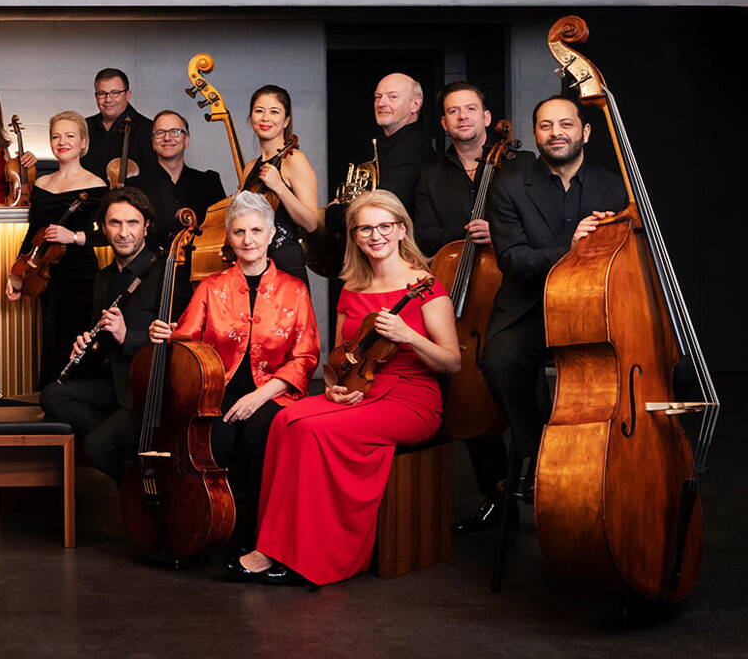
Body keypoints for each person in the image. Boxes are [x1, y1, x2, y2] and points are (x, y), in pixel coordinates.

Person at [230, 190, 461, 587]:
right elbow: (340, 360)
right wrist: (334, 388)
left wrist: (409, 335)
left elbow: (452, 361)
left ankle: (294, 554)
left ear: (401, 229)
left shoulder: (426, 286)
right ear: (354, 236)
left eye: (384, 226)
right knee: (284, 420)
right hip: (361, 390)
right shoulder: (352, 288)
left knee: (311, 430)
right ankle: (278, 544)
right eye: (365, 229)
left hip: (412, 400)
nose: (375, 236)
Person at [154, 191, 319, 555]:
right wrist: (164, 333)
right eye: (240, 232)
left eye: (257, 231)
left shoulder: (294, 290)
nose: (248, 240)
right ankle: (216, 527)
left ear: (271, 234)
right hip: (218, 392)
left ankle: (260, 539)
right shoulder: (211, 288)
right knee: (216, 442)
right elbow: (186, 341)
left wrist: (258, 397)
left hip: (273, 393)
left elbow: (306, 356)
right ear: (229, 237)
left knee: (261, 435)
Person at [482, 96, 628, 498]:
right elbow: (512, 259)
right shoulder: (509, 187)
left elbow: (629, 255)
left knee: (668, 368)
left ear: (585, 132)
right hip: (531, 307)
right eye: (546, 126)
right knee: (499, 363)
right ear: (535, 134)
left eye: (565, 124)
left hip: (596, 307)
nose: (556, 133)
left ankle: (614, 457)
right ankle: (540, 453)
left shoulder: (614, 187)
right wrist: (570, 249)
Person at [411, 81, 530, 531]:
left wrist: (498, 233)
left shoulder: (519, 166)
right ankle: (495, 495)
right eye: (453, 111)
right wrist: (464, 234)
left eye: (470, 108)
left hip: (515, 294)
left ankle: (542, 481)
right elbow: (424, 234)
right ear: (444, 123)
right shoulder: (431, 175)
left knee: (518, 381)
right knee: (465, 392)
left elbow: (537, 223)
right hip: (459, 301)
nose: (462, 116)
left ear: (486, 117)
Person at [37, 188, 162, 483]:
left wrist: (127, 336)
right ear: (103, 228)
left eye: (132, 223)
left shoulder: (164, 272)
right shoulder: (103, 278)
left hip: (145, 390)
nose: (123, 233)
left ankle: (135, 487)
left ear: (146, 227)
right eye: (115, 223)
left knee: (96, 446)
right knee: (52, 395)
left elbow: (178, 341)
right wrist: (89, 346)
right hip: (113, 385)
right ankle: (127, 454)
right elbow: (104, 344)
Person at [7, 111, 108, 385]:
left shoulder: (97, 185)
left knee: (79, 342)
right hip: (46, 276)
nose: (62, 142)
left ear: (83, 143)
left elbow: (107, 235)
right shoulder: (41, 184)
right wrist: (17, 273)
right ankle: (52, 400)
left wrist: (73, 236)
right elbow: (33, 233)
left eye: (70, 136)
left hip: (81, 276)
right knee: (53, 340)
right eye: (56, 136)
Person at [243, 85, 319, 282]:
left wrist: (279, 187)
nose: (265, 118)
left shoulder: (295, 160)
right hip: (252, 265)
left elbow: (311, 223)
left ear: (286, 121)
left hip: (285, 264)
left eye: (274, 112)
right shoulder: (250, 167)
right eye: (259, 111)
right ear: (251, 118)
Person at [127, 108, 227, 254]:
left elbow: (221, 231)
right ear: (153, 142)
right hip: (151, 266)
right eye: (160, 132)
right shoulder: (135, 187)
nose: (167, 138)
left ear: (187, 140)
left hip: (200, 265)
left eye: (175, 131)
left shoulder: (209, 182)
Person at [373, 72, 437, 208]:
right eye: (378, 97)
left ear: (415, 104)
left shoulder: (411, 147)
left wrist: (334, 210)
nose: (381, 103)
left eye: (393, 97)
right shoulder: (388, 143)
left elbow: (384, 207)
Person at [83, 67, 153, 184]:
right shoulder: (85, 127)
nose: (108, 99)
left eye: (115, 93)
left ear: (127, 95)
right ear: (96, 96)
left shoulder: (148, 129)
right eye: (102, 93)